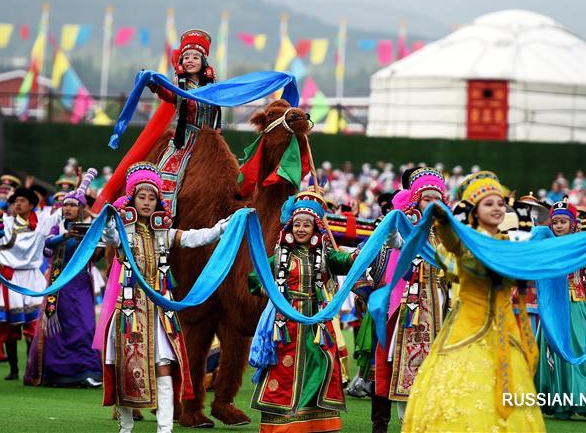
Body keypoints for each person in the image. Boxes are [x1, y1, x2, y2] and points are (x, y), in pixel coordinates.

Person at [401, 170, 544, 432]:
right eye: (489, 203)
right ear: (475, 211)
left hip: (505, 335)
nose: (497, 208)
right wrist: (444, 221)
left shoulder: (512, 243)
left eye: (501, 202)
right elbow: (451, 243)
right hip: (466, 333)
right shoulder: (463, 242)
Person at [101, 162, 229, 433]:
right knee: (125, 369)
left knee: (164, 366)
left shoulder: (163, 232)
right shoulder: (124, 230)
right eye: (142, 196)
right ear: (133, 198)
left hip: (160, 313)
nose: (147, 202)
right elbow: (109, 236)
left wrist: (220, 228)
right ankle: (125, 427)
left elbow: (195, 238)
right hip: (130, 311)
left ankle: (164, 429)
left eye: (152, 197)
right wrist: (111, 219)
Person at [249, 191, 360, 433]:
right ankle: (283, 425)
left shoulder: (323, 255)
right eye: (297, 224)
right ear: (290, 227)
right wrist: (264, 288)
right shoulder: (280, 256)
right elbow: (254, 276)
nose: (300, 229)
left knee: (321, 365)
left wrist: (354, 256)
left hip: (315, 324)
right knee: (284, 371)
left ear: (315, 228)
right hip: (285, 324)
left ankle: (314, 423)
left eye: (306, 225)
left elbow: (342, 260)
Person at [372, 167, 449, 432]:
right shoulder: (409, 229)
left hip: (443, 307)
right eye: (428, 199)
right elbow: (393, 239)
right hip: (412, 308)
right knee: (405, 365)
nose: (433, 204)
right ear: (417, 201)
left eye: (438, 199)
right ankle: (407, 422)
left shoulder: (450, 234)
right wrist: (395, 220)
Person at [25, 169, 104, 387]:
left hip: (80, 286)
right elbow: (47, 245)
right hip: (58, 286)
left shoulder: (89, 229)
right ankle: (55, 374)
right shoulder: (57, 227)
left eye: (72, 205)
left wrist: (97, 240)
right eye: (65, 205)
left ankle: (86, 371)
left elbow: (96, 257)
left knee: (85, 327)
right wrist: (65, 236)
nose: (67, 208)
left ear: (81, 209)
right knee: (57, 328)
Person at [534, 198, 586, 420]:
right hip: (552, 307)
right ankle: (559, 403)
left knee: (578, 349)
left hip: (576, 302)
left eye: (563, 222)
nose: (559, 226)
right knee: (554, 352)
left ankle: (582, 399)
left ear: (573, 224)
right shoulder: (547, 246)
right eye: (555, 222)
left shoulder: (582, 245)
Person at [149, 29, 220, 216]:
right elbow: (167, 94)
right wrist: (154, 85)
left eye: (195, 57)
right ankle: (161, 218)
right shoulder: (179, 86)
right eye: (186, 57)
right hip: (184, 140)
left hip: (209, 142)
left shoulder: (213, 88)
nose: (190, 60)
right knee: (164, 177)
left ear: (203, 62)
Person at [0, 186, 58, 381]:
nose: (18, 204)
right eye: (16, 201)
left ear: (31, 205)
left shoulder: (40, 225)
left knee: (33, 326)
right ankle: (13, 369)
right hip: (10, 277)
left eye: (22, 201)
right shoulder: (5, 223)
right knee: (10, 327)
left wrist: (82, 185)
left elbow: (61, 212)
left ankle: (31, 368)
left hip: (31, 277)